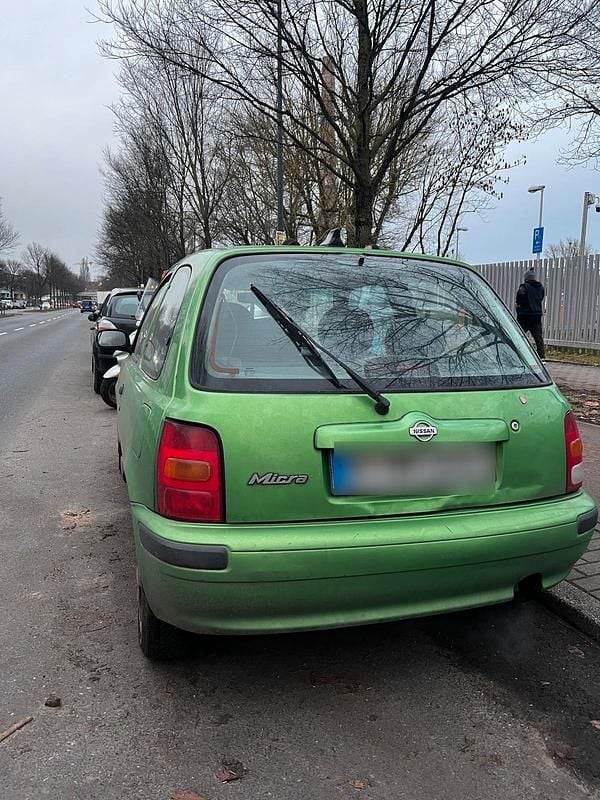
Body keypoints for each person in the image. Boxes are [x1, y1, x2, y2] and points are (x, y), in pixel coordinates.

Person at [516, 267, 545, 359]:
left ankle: (517, 353)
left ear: (526, 278)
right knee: (538, 337)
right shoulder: (540, 287)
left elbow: (520, 296)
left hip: (524, 316)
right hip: (536, 316)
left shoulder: (524, 287)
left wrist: (519, 305)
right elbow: (541, 298)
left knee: (518, 335)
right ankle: (541, 356)